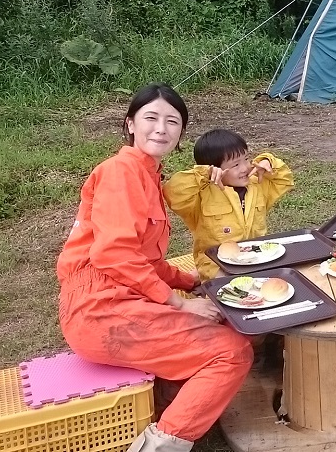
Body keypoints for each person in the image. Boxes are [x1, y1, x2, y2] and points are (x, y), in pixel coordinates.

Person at [56, 84, 253, 452]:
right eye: (151, 118)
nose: (161, 129)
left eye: (172, 122)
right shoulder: (121, 172)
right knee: (231, 350)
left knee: (227, 318)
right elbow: (114, 255)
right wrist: (178, 302)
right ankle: (161, 445)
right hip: (101, 310)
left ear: (181, 133)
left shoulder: (147, 174)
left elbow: (144, 259)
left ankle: (170, 399)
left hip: (116, 297)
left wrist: (189, 282)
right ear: (130, 124)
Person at [163, 128, 294, 281]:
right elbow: (173, 192)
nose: (245, 168)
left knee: (285, 276)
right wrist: (204, 174)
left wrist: (268, 162)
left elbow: (284, 180)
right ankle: (201, 277)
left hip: (256, 258)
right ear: (215, 169)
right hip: (215, 264)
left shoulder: (257, 185)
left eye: (246, 159)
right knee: (229, 284)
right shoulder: (201, 195)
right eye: (235, 165)